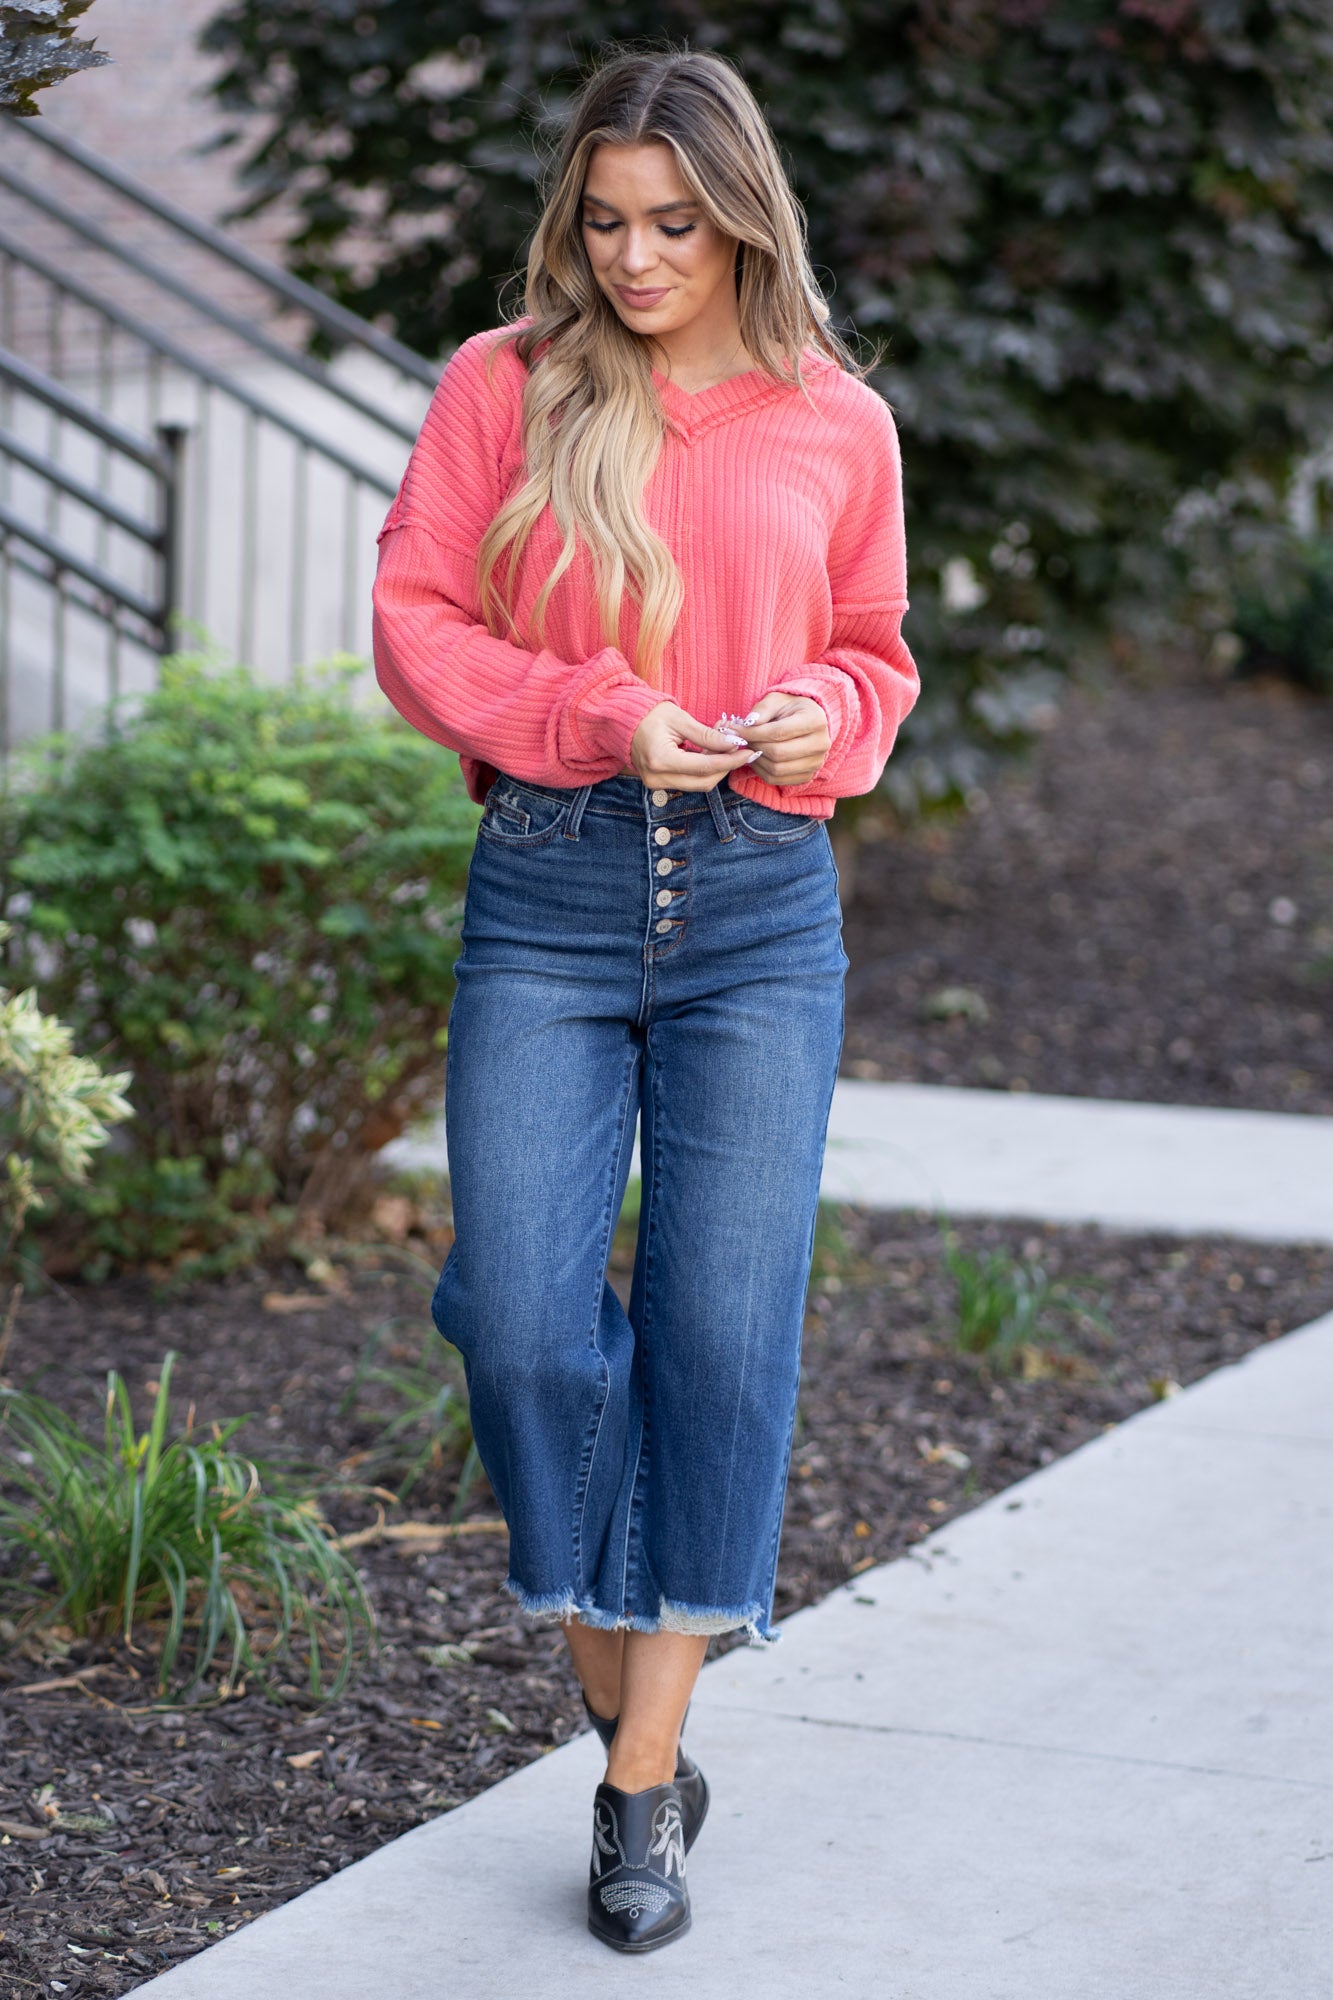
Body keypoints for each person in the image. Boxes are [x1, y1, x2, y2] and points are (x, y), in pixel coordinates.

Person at [371, 46, 918, 1955]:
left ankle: (637, 1787)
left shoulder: (835, 418)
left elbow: (874, 653)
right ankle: (633, 1702)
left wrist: (821, 713)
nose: (633, 257)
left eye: (674, 224)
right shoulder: (501, 384)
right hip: (550, 882)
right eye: (605, 221)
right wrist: (603, 713)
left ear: (741, 219)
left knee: (719, 1340)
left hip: (760, 904)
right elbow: (416, 624)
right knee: (523, 1320)